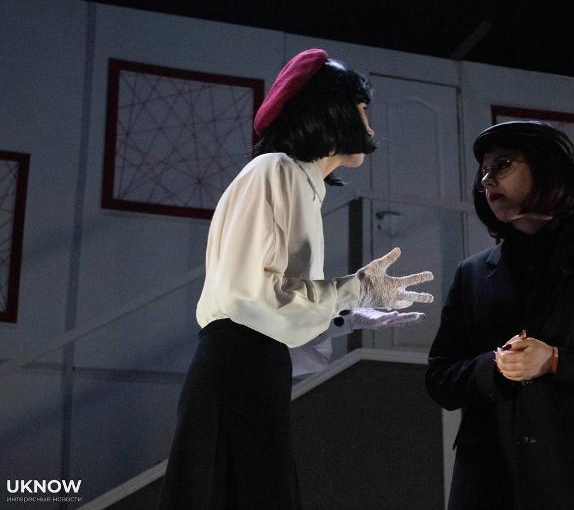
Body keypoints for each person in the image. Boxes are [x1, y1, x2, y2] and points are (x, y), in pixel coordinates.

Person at [160, 49, 434, 509]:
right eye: (360, 107)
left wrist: (344, 315)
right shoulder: (276, 171)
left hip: (253, 366)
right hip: (238, 368)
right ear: (329, 111)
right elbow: (248, 296)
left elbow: (267, 305)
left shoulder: (299, 182)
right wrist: (356, 290)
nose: (369, 124)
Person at [425, 120, 574, 509]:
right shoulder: (470, 273)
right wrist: (494, 368)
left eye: (503, 164)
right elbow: (440, 379)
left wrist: (555, 361)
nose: (487, 180)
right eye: (483, 171)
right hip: (489, 483)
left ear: (545, 168)